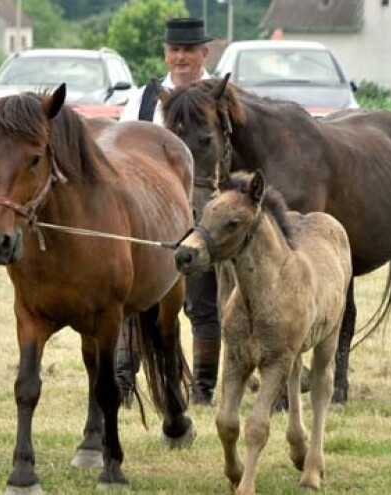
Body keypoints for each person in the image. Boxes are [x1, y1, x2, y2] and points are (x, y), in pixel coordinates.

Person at [116, 18, 220, 407]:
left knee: (202, 300)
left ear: (203, 54)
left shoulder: (219, 96)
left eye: (189, 50)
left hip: (203, 209)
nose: (181, 57)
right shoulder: (142, 100)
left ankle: (203, 390)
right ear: (166, 53)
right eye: (175, 50)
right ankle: (124, 383)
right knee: (133, 296)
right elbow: (119, 151)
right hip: (151, 211)